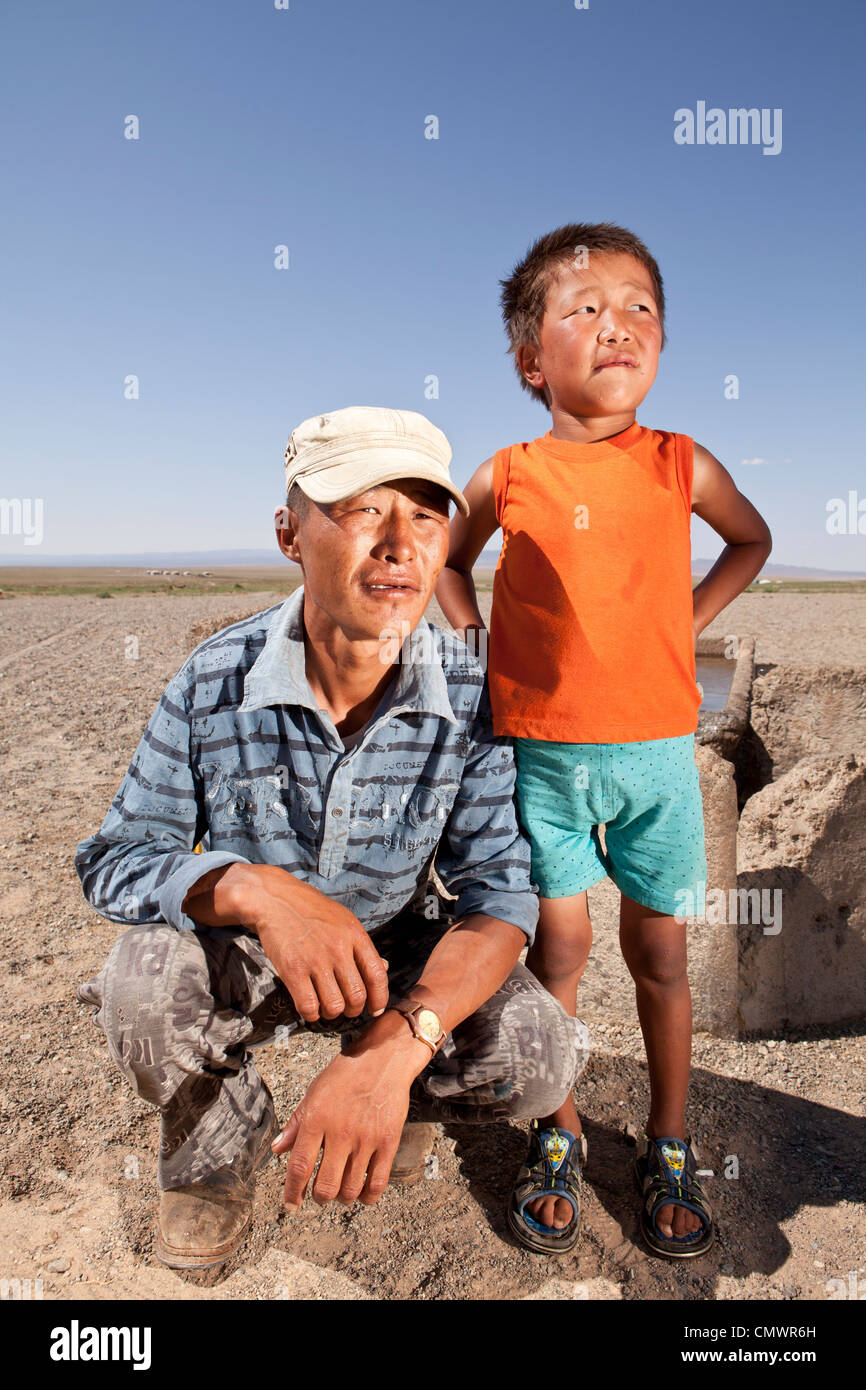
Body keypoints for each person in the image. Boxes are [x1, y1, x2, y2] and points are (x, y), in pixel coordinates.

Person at [74, 405, 588, 1273]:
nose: (399, 544)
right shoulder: (214, 680)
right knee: (140, 994)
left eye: (426, 515)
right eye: (361, 508)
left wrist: (394, 1053)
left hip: (394, 953)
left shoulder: (471, 694)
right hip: (249, 949)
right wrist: (255, 891)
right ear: (290, 533)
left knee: (541, 1057)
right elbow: (116, 858)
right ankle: (216, 1149)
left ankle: (394, 1103)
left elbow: (499, 895)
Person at [435, 224, 773, 1257]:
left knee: (659, 952)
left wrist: (685, 616)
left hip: (655, 758)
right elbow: (450, 561)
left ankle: (667, 1140)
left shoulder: (680, 462)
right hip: (539, 753)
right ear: (531, 360)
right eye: (580, 308)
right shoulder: (509, 471)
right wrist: (474, 643)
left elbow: (750, 539)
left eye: (636, 307)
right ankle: (559, 1130)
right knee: (560, 949)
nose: (613, 324)